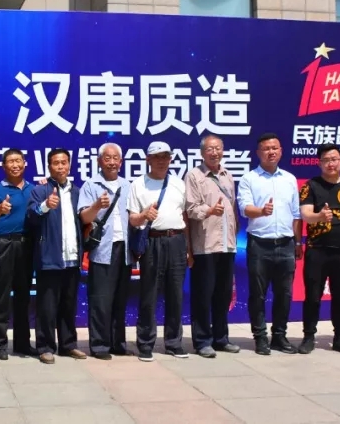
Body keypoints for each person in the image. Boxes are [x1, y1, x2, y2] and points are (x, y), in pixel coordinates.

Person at [237, 132, 302, 356]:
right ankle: (260, 337)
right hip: (259, 245)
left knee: (284, 294)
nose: (271, 152)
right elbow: (244, 208)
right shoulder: (249, 179)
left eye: (275, 148)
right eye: (266, 148)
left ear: (281, 151)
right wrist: (261, 211)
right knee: (258, 294)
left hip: (286, 244)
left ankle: (279, 336)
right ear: (258, 153)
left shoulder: (290, 179)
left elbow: (296, 213)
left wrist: (298, 241)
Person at [128, 141, 191, 362]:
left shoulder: (178, 183)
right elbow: (132, 219)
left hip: (176, 241)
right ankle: (145, 344)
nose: (162, 161)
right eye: (157, 157)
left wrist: (189, 249)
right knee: (149, 294)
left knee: (176, 294)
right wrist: (144, 215)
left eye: (166, 157)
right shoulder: (138, 184)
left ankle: (174, 343)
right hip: (152, 241)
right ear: (148, 159)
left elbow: (185, 217)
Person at [298, 144, 340, 356]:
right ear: (319, 163)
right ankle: (308, 337)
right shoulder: (311, 186)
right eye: (326, 160)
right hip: (317, 250)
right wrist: (319, 217)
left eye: (334, 159)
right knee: (313, 296)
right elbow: (306, 214)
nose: (331, 163)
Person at [27, 148, 88, 364]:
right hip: (49, 258)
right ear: (49, 166)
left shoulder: (77, 192)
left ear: (69, 165)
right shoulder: (40, 190)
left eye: (64, 162)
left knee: (68, 304)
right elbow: (31, 216)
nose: (60, 166)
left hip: (72, 257)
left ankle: (68, 345)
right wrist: (45, 206)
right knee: (47, 306)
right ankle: (45, 346)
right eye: (56, 163)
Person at [184, 135, 241, 358]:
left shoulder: (228, 176)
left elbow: (233, 209)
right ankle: (201, 341)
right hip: (205, 245)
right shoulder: (194, 176)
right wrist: (209, 211)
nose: (214, 152)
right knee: (202, 296)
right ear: (202, 153)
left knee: (223, 295)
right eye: (210, 149)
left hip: (227, 245)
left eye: (218, 148)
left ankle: (221, 339)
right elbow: (190, 209)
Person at [0, 148, 38, 360]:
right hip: (3, 245)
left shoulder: (34, 189)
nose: (15, 165)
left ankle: (23, 344)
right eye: (10, 162)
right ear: (4, 166)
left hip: (26, 245)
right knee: (1, 296)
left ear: (25, 163)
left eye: (18, 161)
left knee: (23, 297)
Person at [79, 143, 132, 360]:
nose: (111, 162)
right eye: (107, 158)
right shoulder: (90, 185)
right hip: (103, 249)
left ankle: (118, 344)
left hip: (124, 248)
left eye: (115, 158)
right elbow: (84, 217)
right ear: (99, 161)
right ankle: (100, 345)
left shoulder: (127, 185)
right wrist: (96, 206)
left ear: (121, 161)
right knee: (101, 300)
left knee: (120, 299)